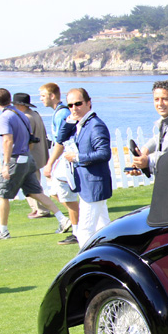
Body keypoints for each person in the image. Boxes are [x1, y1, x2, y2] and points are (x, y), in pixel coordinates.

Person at [0, 88, 69, 240]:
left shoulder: (5, 117)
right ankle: (62, 218)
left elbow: (7, 140)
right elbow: (30, 139)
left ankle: (3, 230)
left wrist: (6, 164)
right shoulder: (21, 114)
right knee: (36, 192)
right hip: (27, 156)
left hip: (15, 159)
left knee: (2, 195)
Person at [56, 88, 112, 247]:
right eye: (70, 105)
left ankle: (86, 262)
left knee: (84, 230)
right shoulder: (79, 124)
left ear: (89, 103)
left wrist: (77, 157)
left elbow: (104, 154)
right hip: (86, 183)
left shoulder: (95, 126)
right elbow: (60, 139)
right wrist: (68, 122)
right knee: (104, 226)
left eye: (78, 104)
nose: (74, 108)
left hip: (94, 183)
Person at [40, 83, 80, 244]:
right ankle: (77, 220)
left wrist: (50, 163)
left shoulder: (61, 113)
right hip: (64, 158)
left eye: (43, 95)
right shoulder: (59, 113)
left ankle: (78, 228)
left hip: (67, 158)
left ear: (52, 96)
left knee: (66, 194)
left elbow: (61, 141)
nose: (41, 99)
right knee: (56, 192)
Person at [13, 93, 51, 217]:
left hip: (31, 155)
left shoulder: (26, 117)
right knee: (31, 182)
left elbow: (27, 139)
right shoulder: (35, 114)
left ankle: (41, 209)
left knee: (32, 183)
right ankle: (36, 208)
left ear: (20, 105)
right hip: (39, 154)